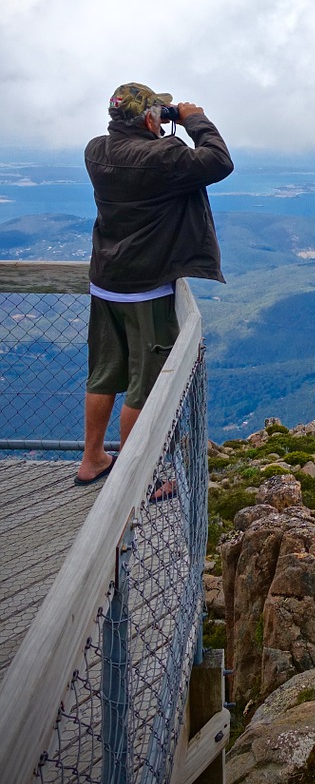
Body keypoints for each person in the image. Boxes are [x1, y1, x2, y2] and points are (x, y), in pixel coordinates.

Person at [75, 82, 233, 485]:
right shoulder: (162, 156)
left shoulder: (96, 150)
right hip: (145, 289)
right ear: (149, 118)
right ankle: (135, 476)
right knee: (143, 387)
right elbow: (218, 161)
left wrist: (162, 118)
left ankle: (92, 458)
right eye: (158, 113)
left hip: (105, 281)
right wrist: (192, 118)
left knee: (104, 373)